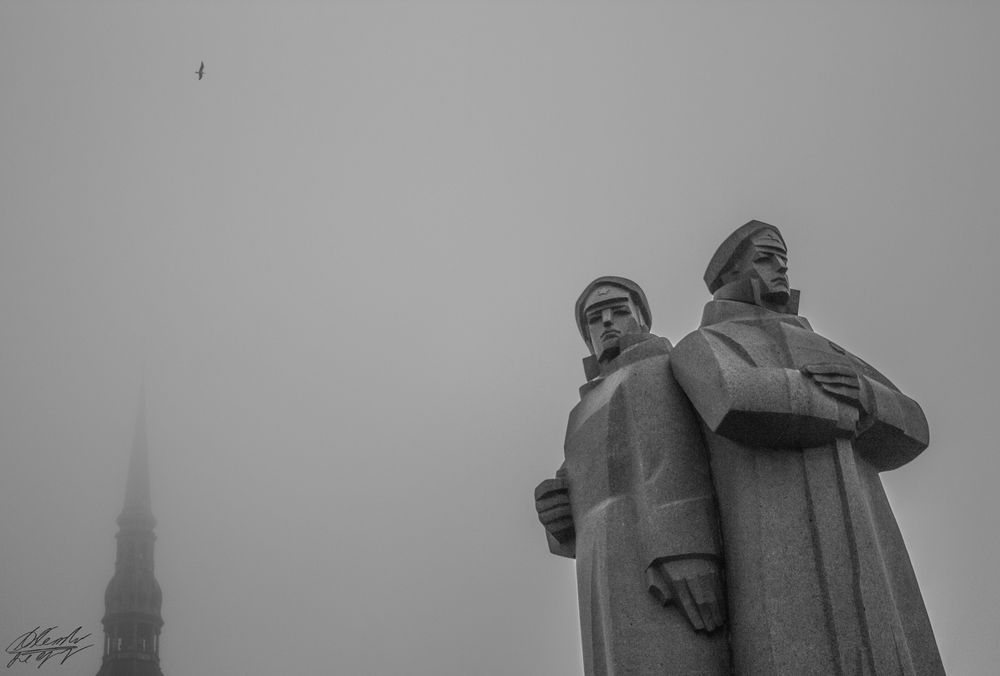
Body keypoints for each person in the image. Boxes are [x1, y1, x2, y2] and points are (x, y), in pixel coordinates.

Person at [670, 221, 945, 675]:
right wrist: (841, 408)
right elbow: (733, 398)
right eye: (764, 258)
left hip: (863, 529)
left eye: (783, 260)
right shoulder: (705, 343)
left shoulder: (821, 344)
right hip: (769, 532)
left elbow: (913, 423)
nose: (779, 268)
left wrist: (865, 394)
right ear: (730, 275)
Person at [535, 276, 729, 676]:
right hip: (598, 554)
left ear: (642, 316)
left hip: (654, 550)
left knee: (677, 657)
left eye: (620, 311)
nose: (607, 322)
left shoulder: (657, 366)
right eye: (595, 318)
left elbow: (674, 458)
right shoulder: (581, 411)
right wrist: (558, 514)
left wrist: (686, 549)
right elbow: (578, 487)